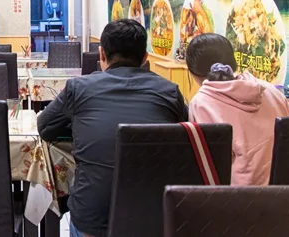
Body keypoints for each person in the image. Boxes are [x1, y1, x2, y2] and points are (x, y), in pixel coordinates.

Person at [38, 19, 188, 237]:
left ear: (101, 54)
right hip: (153, 218)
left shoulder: (78, 87)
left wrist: (81, 128)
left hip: (92, 218)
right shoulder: (170, 92)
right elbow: (185, 138)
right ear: (145, 58)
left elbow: (45, 127)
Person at [185, 33, 289, 186]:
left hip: (239, 196)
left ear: (193, 72)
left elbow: (208, 162)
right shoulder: (269, 89)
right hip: (288, 189)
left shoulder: (201, 103)